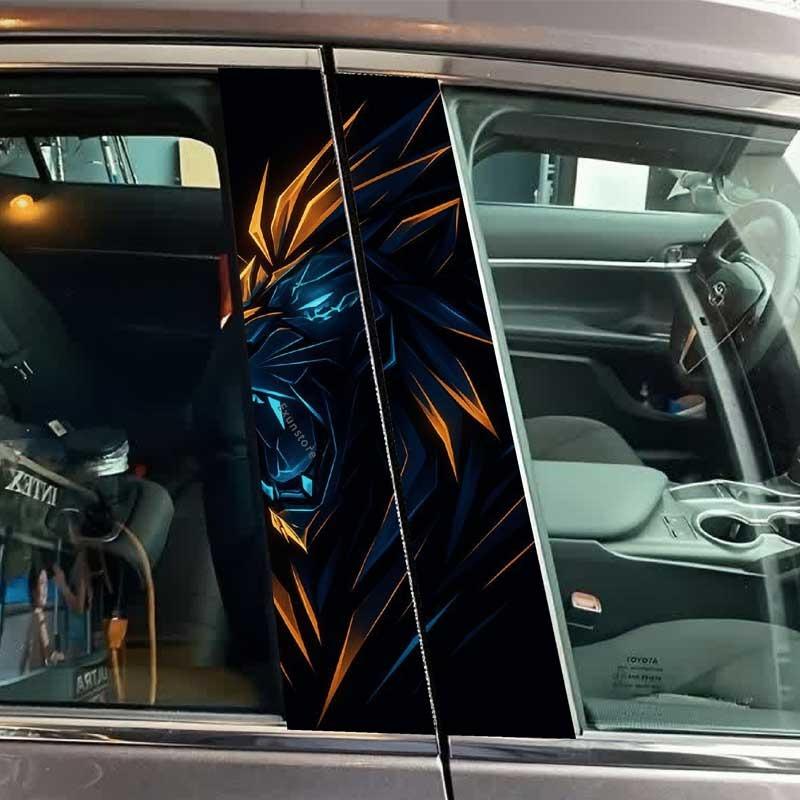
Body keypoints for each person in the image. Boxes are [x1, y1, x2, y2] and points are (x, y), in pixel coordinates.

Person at [22, 566, 64, 672]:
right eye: (41, 583)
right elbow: (49, 654)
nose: (45, 589)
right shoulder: (38, 616)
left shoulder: (34, 614)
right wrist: (65, 656)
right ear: (33, 590)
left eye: (46, 584)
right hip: (38, 674)